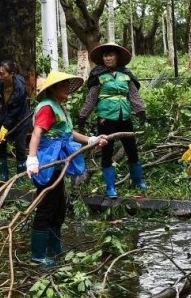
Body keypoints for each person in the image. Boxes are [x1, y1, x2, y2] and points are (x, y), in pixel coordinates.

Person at [26, 71, 108, 266]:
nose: (67, 89)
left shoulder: (59, 108)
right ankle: (38, 255)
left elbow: (68, 133)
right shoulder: (47, 108)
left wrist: (91, 139)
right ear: (53, 89)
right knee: (46, 206)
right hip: (48, 160)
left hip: (60, 159)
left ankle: (54, 248)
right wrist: (32, 158)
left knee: (59, 207)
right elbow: (37, 134)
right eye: (63, 86)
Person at [77, 43, 146, 198]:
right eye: (105, 56)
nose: (108, 58)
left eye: (111, 55)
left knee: (131, 149)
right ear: (102, 58)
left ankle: (137, 181)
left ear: (117, 57)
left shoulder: (126, 74)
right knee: (107, 151)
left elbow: (134, 95)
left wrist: (141, 111)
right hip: (106, 118)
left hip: (125, 116)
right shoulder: (98, 75)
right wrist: (83, 116)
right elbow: (91, 98)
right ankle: (110, 188)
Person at [0, 60, 32, 182]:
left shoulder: (20, 88)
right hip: (6, 114)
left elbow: (15, 110)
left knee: (20, 146)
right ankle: (3, 176)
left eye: (3, 74)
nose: (0, 76)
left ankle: (20, 178)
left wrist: (6, 126)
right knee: (0, 142)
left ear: (12, 73)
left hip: (21, 118)